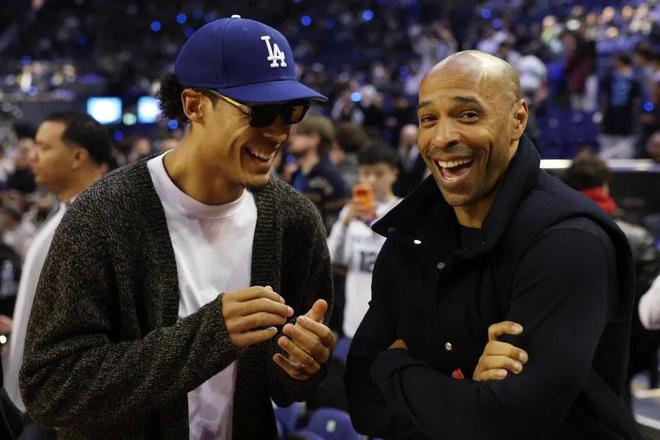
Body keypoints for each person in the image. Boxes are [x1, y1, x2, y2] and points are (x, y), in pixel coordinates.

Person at [20, 16, 335, 439]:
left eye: (292, 111)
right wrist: (210, 335)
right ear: (194, 105)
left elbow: (285, 388)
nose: (279, 132)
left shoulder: (295, 220)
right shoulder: (103, 215)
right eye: (260, 112)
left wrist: (303, 366)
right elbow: (50, 388)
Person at [345, 50, 640, 439]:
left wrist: (394, 368)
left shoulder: (570, 242)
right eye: (428, 119)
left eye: (468, 115)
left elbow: (512, 424)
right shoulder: (412, 233)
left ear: (518, 119)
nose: (442, 137)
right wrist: (470, 388)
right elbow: (363, 401)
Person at [2, 111, 113, 438]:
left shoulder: (98, 222)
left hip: (56, 412)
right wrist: (20, 328)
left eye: (44, 147)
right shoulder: (65, 210)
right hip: (32, 401)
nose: (33, 156)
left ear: (78, 157)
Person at [327, 144, 401, 339]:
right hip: (354, 319)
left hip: (391, 323)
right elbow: (333, 256)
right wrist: (344, 222)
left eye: (379, 173)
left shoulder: (403, 211)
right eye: (366, 173)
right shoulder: (350, 211)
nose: (371, 180)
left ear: (394, 173)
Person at [286, 115, 349, 234]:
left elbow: (334, 226)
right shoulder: (296, 175)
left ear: (315, 139)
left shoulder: (331, 178)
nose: (290, 139)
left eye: (298, 134)